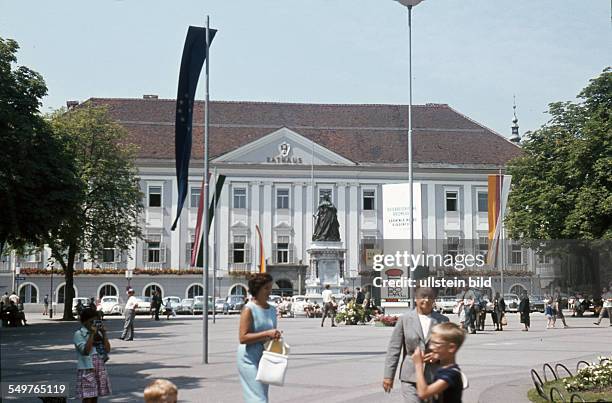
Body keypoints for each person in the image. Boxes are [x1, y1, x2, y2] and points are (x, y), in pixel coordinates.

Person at [383, 287, 449, 403]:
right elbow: (394, 349)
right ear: (416, 299)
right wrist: (389, 376)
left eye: (430, 297)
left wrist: (438, 356)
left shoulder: (443, 320)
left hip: (434, 376)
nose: (427, 300)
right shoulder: (405, 319)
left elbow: (448, 349)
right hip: (410, 376)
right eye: (423, 296)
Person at [237, 273, 281, 403]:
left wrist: (276, 336)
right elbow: (242, 338)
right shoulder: (248, 309)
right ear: (258, 289)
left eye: (270, 287)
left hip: (265, 358)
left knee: (262, 395)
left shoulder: (272, 309)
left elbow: (270, 333)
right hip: (248, 358)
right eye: (266, 288)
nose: (270, 291)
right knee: (258, 398)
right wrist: (267, 333)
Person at [411, 322, 465, 403]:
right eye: (431, 342)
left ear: (451, 348)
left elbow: (423, 393)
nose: (431, 347)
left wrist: (418, 365)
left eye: (437, 343)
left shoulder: (451, 374)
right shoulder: (443, 369)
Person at [74, 308, 111, 402]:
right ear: (84, 321)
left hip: (99, 367)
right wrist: (91, 334)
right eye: (91, 321)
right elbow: (85, 351)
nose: (93, 324)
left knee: (95, 396)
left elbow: (107, 349)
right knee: (88, 397)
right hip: (87, 368)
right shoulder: (79, 334)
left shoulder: (98, 334)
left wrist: (104, 333)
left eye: (96, 321)